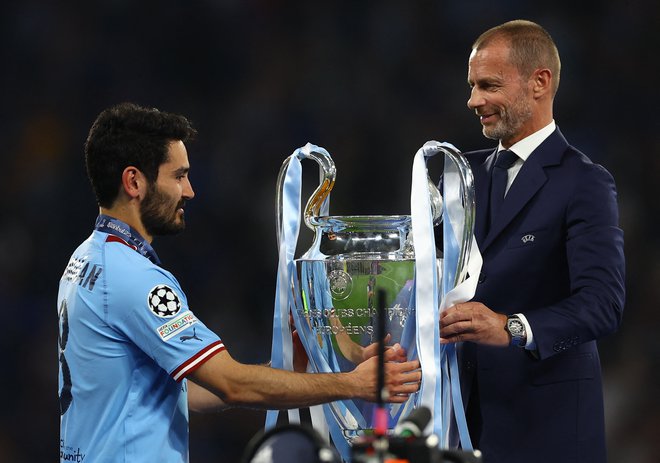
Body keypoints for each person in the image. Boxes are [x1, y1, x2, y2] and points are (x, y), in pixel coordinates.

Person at [57, 102, 421, 462]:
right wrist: (355, 384)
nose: (189, 191)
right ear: (134, 181)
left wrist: (287, 371)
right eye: (179, 176)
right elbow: (231, 384)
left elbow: (192, 392)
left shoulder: (86, 260)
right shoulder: (134, 277)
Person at [439, 20, 625, 463]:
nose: (473, 100)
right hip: (461, 428)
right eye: (472, 86)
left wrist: (510, 327)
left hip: (548, 432)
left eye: (489, 85)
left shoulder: (584, 182)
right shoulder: (460, 175)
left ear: (539, 82)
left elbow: (603, 302)